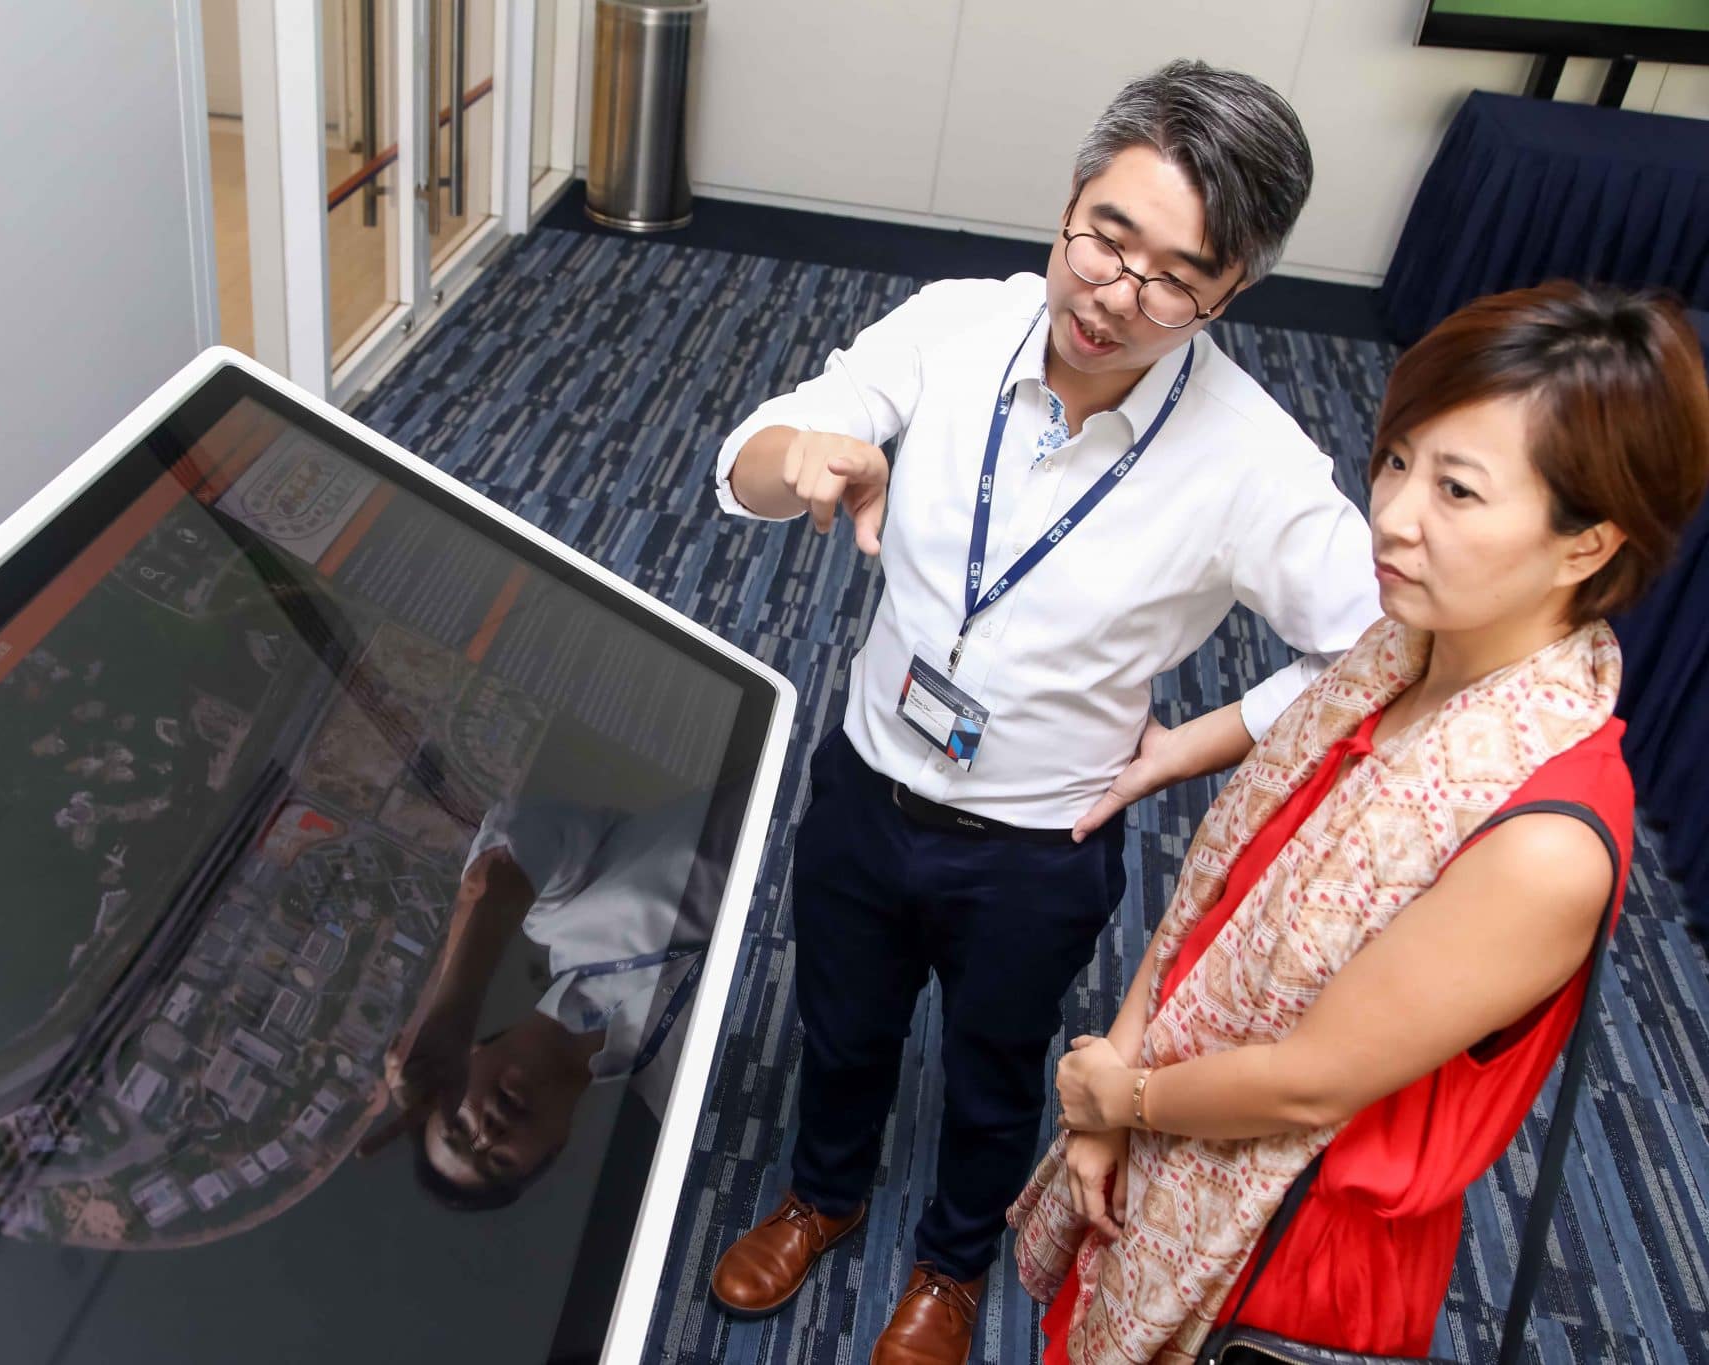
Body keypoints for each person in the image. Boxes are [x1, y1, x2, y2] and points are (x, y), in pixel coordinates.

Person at [706, 60, 1381, 1365]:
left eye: (1175, 276)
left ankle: (952, 1267)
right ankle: (823, 1194)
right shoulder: (963, 321)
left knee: (998, 1064)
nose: (1114, 294)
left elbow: (1382, 650)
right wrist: (802, 457)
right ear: (1072, 199)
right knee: (840, 1019)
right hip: (866, 770)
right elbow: (764, 448)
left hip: (1036, 841)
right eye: (1104, 236)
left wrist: (1191, 745)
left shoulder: (1251, 460)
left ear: (1233, 289)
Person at [1011, 281, 1709, 1362]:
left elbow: (1311, 1081)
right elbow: (1218, 880)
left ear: (1584, 546)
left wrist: (1124, 1093)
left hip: (1282, 1257)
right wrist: (1116, 1090)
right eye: (1396, 460)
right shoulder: (1393, 658)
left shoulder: (1541, 842)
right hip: (1172, 1119)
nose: (1391, 513)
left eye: (1457, 491)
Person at [374, 789, 722, 1209]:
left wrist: (453, 1009)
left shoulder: (556, 913)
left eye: (459, 1126)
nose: (487, 1135)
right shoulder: (694, 1098)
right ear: (554, 1149)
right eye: (498, 1162)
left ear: (471, 1052)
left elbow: (516, 838)